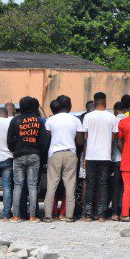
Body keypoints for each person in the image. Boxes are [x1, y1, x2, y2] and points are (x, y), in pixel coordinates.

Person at [43, 95, 83, 223]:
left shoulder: (50, 120)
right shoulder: (76, 120)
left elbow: (46, 140)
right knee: (70, 186)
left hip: (54, 154)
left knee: (51, 186)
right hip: (70, 153)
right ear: (70, 106)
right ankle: (69, 216)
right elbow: (80, 142)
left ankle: (48, 216)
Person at [8, 97, 45, 222]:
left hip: (18, 156)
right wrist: (38, 151)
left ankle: (16, 215)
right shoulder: (38, 121)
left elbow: (9, 140)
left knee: (18, 186)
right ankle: (33, 216)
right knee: (32, 186)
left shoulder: (15, 120)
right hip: (34, 155)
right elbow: (43, 141)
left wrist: (15, 150)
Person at [81, 92, 117, 222]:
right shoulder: (112, 117)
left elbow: (85, 138)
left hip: (91, 155)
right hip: (105, 156)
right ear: (105, 102)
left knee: (90, 184)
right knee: (103, 184)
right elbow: (113, 139)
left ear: (94, 102)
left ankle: (88, 215)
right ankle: (101, 215)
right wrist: (110, 153)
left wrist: (85, 156)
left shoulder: (88, 117)